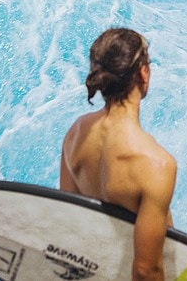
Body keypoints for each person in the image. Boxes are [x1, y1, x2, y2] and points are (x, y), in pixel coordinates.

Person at [60, 28, 177, 281]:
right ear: (143, 74)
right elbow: (146, 270)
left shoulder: (76, 133)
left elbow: (71, 224)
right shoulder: (155, 164)